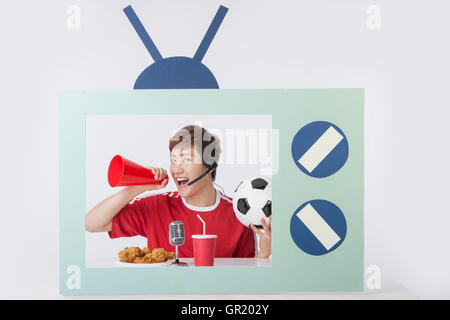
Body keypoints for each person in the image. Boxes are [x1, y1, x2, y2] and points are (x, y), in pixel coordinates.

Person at [85, 125, 271, 258]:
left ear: (210, 166)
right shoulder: (156, 207)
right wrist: (137, 188)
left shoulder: (238, 213)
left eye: (187, 160)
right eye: (173, 160)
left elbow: (242, 279)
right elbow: (91, 224)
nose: (177, 169)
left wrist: (262, 256)